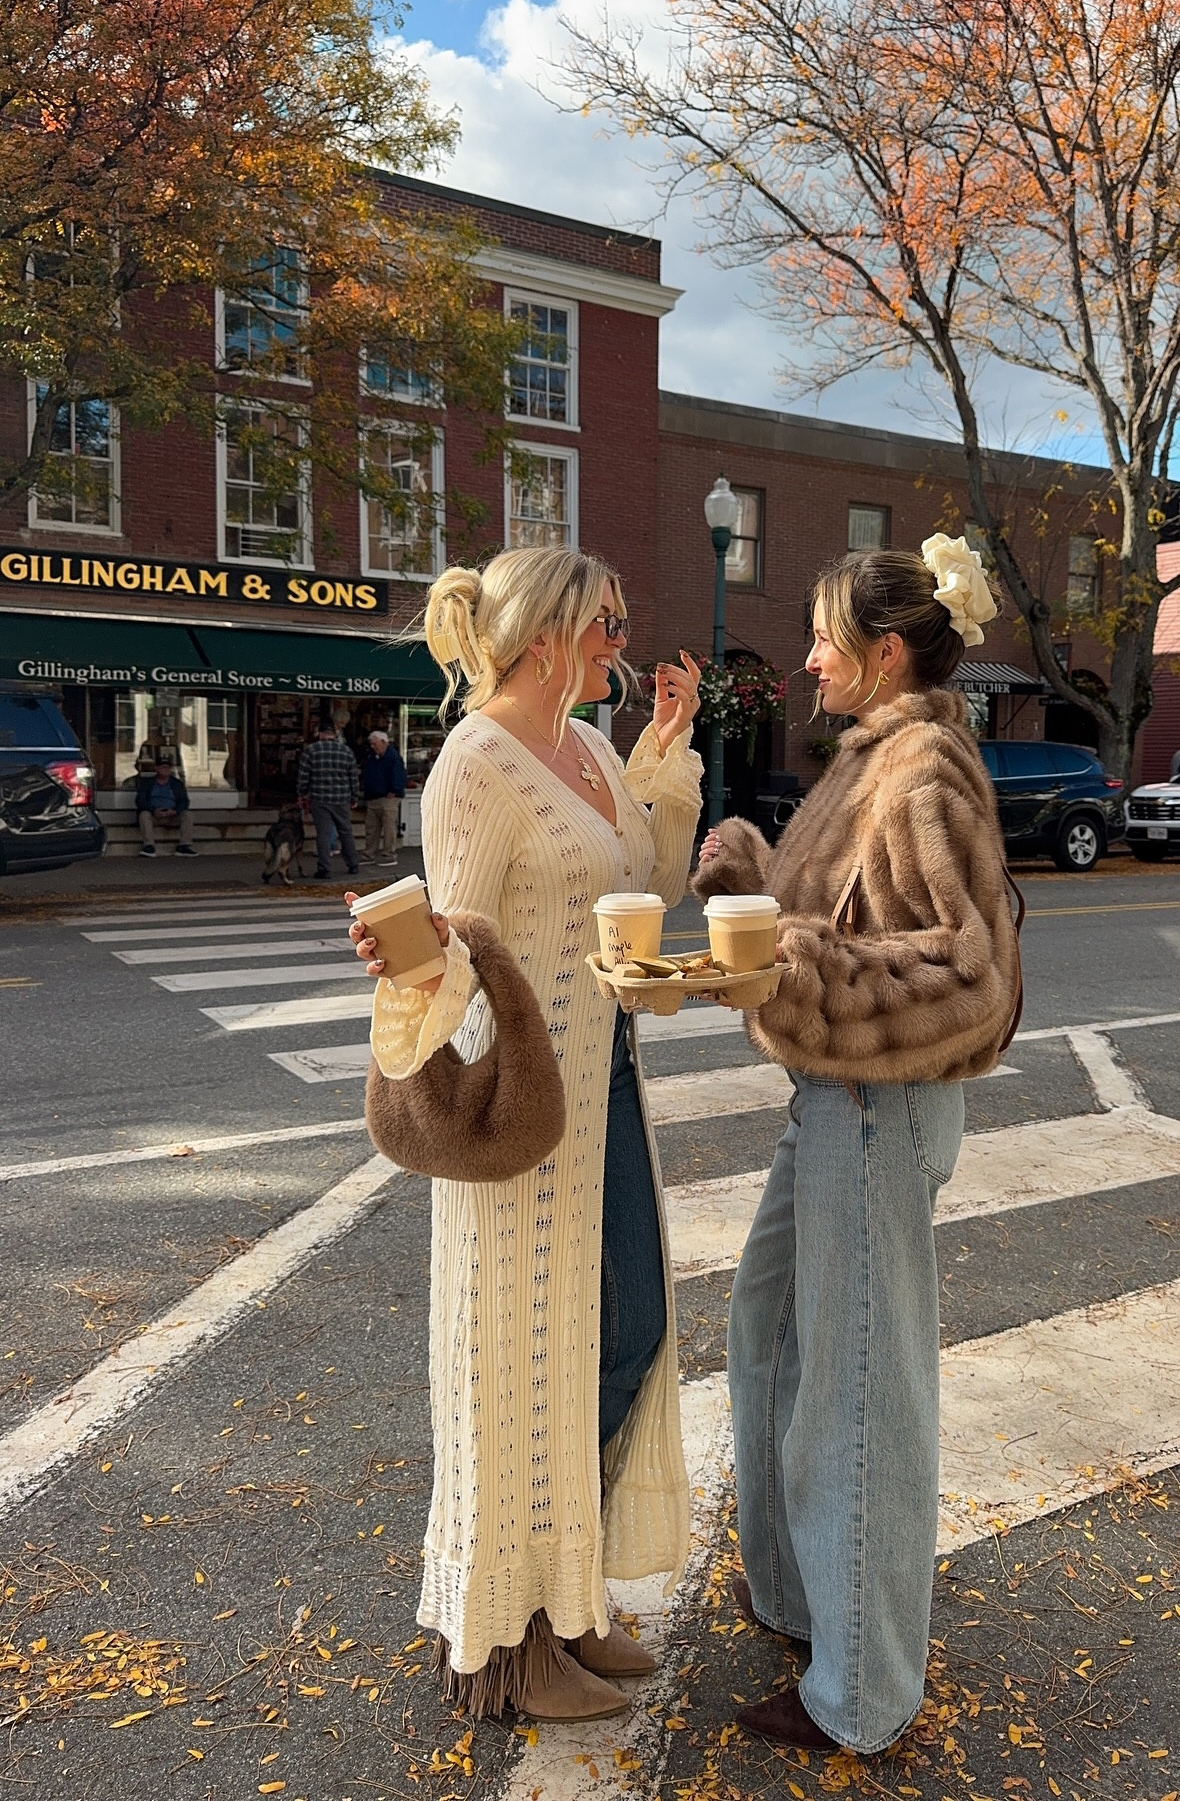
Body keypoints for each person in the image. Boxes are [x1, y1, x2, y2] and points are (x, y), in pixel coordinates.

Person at [346, 547, 703, 1722]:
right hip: (525, 1117)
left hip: (611, 1095)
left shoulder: (592, 751)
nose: (622, 638)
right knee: (519, 1367)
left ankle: (570, 1587)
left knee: (630, 1332)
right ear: (549, 629)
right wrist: (405, 967)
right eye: (607, 621)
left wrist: (663, 749)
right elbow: (449, 940)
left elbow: (650, 875)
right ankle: (508, 1640)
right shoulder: (475, 763)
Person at [693, 540, 1019, 1756]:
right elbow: (844, 922)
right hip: (836, 1100)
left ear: (884, 656)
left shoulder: (920, 764)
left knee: (858, 1393)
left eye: (828, 637)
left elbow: (969, 974)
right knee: (770, 1329)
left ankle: (862, 1694)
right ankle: (793, 1595)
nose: (809, 656)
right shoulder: (874, 756)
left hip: (874, 1108)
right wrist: (751, 877)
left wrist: (799, 965)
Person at [297, 717, 360, 879]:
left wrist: (302, 793)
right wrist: (354, 796)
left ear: (320, 733)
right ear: (334, 734)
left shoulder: (311, 751)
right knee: (345, 831)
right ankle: (353, 864)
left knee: (323, 834)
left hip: (320, 798)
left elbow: (304, 777)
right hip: (342, 798)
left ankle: (325, 868)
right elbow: (353, 777)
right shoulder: (346, 752)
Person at [361, 730, 407, 867]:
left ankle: (389, 855)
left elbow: (399, 775)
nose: (373, 747)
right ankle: (369, 854)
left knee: (388, 828)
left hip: (388, 797)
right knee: (372, 828)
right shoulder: (373, 757)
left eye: (375, 744)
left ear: (383, 742)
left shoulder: (393, 757)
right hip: (374, 796)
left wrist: (394, 790)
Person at [135, 758, 195, 856]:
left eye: (168, 767)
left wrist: (175, 811)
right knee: (144, 815)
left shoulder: (177, 784)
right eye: (163, 767)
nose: (166, 770)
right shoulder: (147, 783)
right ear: (157, 768)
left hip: (172, 815)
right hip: (154, 815)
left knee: (188, 815)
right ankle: (148, 846)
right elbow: (140, 801)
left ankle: (184, 845)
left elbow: (184, 801)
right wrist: (153, 810)